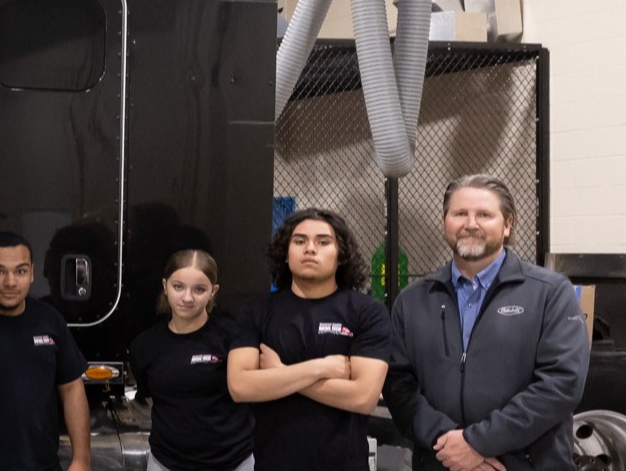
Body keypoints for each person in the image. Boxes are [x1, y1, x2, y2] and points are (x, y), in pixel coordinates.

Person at [386, 175, 589, 470]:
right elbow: (398, 386)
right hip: (442, 460)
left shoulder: (550, 293)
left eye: (484, 214)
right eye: (459, 214)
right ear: (446, 222)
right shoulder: (412, 301)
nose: (471, 224)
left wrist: (478, 443)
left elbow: (561, 384)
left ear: (507, 225)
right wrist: (450, 444)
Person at [226, 208, 393, 471]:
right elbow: (240, 386)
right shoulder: (257, 311)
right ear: (286, 253)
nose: (310, 249)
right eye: (299, 241)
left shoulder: (367, 312)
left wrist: (280, 374)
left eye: (323, 241)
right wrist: (320, 368)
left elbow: (363, 397)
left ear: (341, 255)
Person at [0, 232, 90, 471]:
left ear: (31, 273)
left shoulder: (49, 319)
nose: (10, 282)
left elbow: (72, 387)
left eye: (20, 271)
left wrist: (82, 459)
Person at [128, 250, 253, 471]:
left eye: (199, 289)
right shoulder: (145, 345)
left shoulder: (232, 336)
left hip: (234, 462)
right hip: (166, 463)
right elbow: (149, 398)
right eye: (178, 287)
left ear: (213, 291)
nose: (187, 298)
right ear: (165, 286)